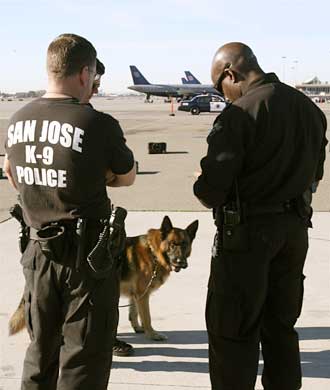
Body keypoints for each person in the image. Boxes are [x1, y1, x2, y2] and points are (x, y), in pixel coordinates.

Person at [4, 33, 136, 390]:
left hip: (37, 254)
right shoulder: (97, 124)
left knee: (40, 352)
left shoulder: (16, 121)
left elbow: (14, 178)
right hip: (87, 258)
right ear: (84, 73)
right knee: (84, 359)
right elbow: (126, 177)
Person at [193, 42, 328, 390]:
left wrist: (201, 182)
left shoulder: (239, 115)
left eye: (218, 87)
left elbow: (211, 191)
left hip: (246, 239)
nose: (221, 96)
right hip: (294, 233)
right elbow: (316, 175)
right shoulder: (310, 110)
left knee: (232, 333)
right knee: (281, 329)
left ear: (230, 73)